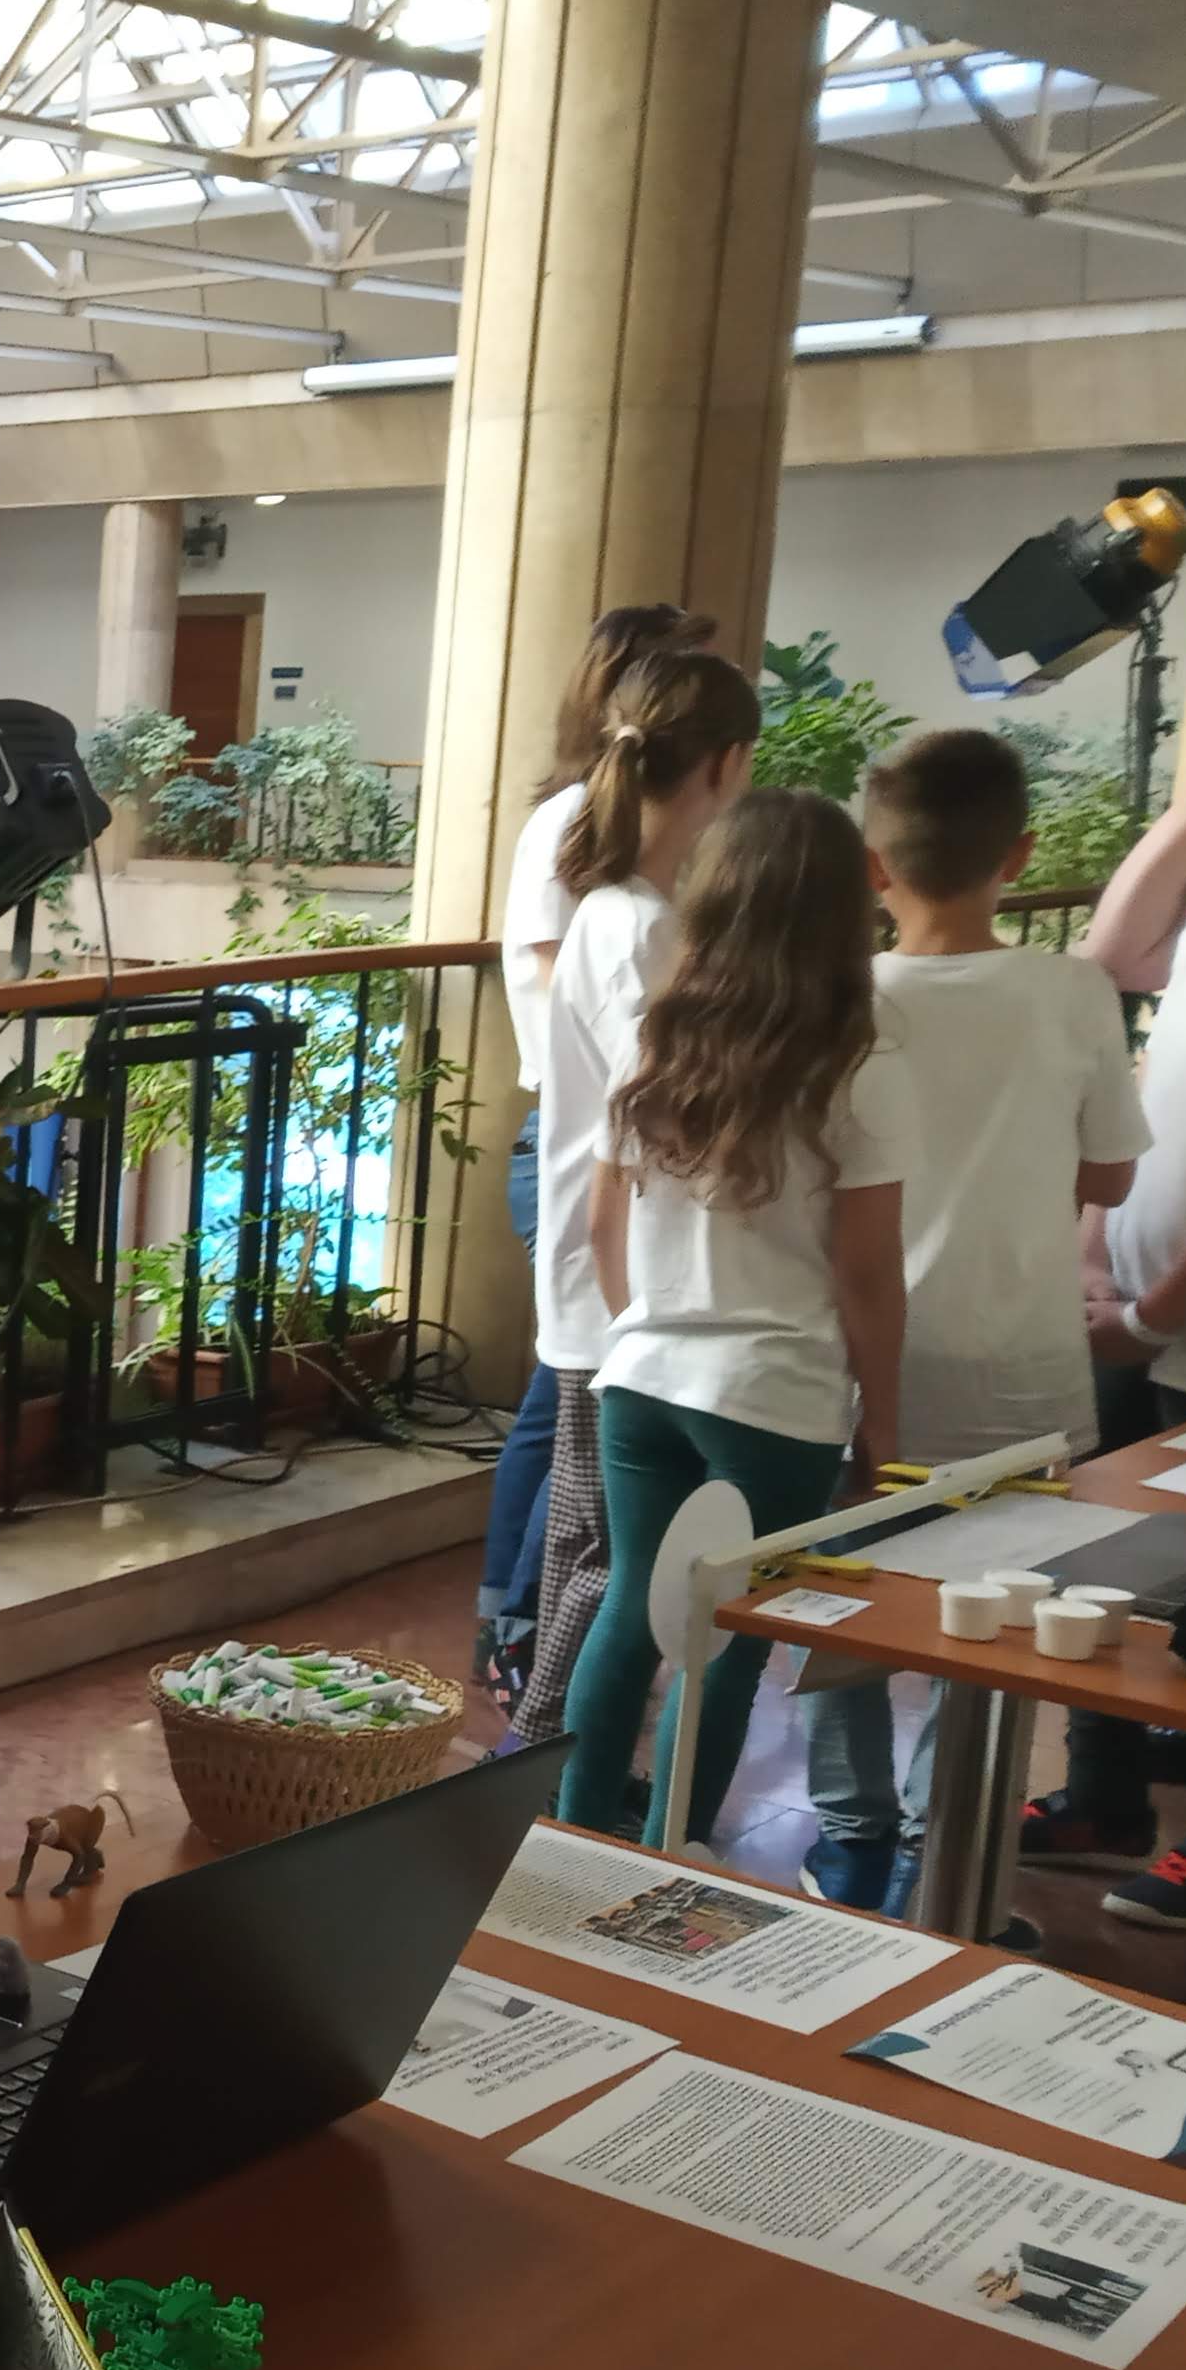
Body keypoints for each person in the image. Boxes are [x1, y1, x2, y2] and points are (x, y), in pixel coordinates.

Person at [793, 732, 1142, 1910]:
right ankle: (946, 1865)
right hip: (1025, 1373)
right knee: (990, 1630)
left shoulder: (841, 996)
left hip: (861, 1365)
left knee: (843, 1601)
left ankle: (849, 1840)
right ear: (1019, 855)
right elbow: (1108, 1179)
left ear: (873, 867)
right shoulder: (1071, 990)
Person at [558, 788, 912, 1848]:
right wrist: (883, 1423)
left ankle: (570, 1840)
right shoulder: (858, 1066)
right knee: (724, 1641)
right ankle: (669, 1857)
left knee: (630, 1609)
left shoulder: (656, 1043)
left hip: (643, 1376)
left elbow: (601, 1225)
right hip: (774, 1395)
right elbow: (865, 1273)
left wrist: (647, 1331)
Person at [522, 650, 765, 1754]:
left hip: (625, 1281)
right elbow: (659, 1118)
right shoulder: (632, 925)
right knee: (604, 1559)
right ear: (724, 765)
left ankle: (550, 1765)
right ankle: (537, 1764)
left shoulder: (640, 910)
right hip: (616, 1287)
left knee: (602, 1550)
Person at [479, 604, 713, 1708]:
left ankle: (524, 1648)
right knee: (575, 1433)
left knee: (565, 1420)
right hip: (583, 1155)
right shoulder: (586, 846)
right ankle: (526, 1654)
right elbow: (564, 993)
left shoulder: (630, 878)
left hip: (595, 1152)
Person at [1044, 768, 1186, 1926]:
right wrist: (1093, 1247)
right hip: (1139, 1309)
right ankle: (1098, 1796)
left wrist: (1149, 1314)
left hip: (1178, 1323)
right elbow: (1109, 955)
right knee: (1098, 1562)